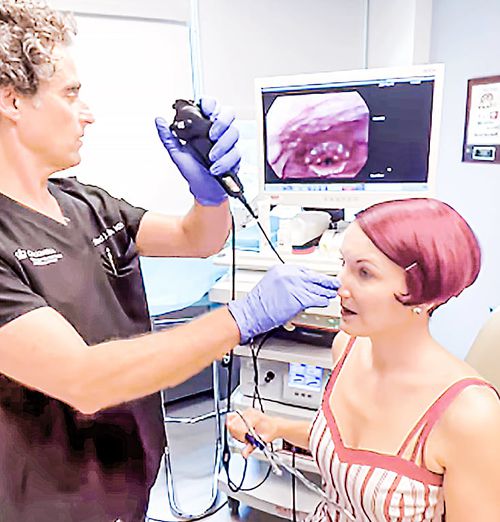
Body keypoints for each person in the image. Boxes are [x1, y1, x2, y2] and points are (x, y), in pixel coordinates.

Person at [0, 1, 339, 521]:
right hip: (48, 499)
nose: (88, 113)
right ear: (12, 101)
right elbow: (84, 379)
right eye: (70, 94)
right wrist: (242, 318)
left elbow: (196, 238)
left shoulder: (83, 201)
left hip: (126, 475)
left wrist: (209, 194)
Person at [228, 198, 500, 521]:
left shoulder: (470, 414)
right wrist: (278, 427)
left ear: (426, 293)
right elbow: (356, 454)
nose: (340, 287)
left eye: (365, 273)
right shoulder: (346, 348)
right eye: (343, 264)